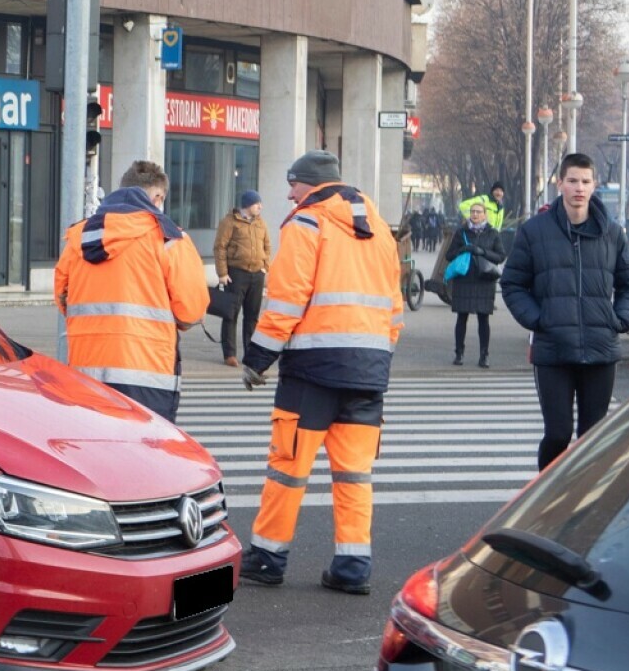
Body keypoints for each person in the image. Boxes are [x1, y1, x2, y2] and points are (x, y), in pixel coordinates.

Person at [239, 150, 402, 596]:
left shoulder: (306, 222)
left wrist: (258, 358)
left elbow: (287, 298)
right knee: (354, 474)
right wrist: (377, 356)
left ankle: (269, 558)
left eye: (293, 185)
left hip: (312, 371)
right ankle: (353, 567)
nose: (288, 194)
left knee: (288, 468)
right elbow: (394, 309)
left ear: (309, 185)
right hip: (368, 373)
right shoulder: (379, 226)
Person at [500, 152, 629, 469]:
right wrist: (538, 320)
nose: (579, 188)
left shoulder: (612, 233)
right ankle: (545, 497)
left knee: (592, 437)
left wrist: (620, 319)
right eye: (573, 180)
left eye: (586, 181)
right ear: (560, 183)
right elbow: (512, 283)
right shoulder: (534, 231)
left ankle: (584, 504)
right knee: (558, 433)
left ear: (594, 186)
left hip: (600, 349)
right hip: (553, 350)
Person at [53, 161, 207, 421]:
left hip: (85, 375)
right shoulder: (168, 238)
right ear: (157, 197)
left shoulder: (79, 237)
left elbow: (63, 298)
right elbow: (191, 311)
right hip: (147, 376)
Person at [442, 201, 505, 367]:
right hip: (464, 280)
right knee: (461, 317)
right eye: (472, 212)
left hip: (484, 280)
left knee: (483, 319)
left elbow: (500, 256)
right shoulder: (461, 232)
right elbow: (449, 255)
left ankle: (484, 355)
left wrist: (482, 251)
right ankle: (459, 353)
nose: (475, 214)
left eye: (478, 212)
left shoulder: (492, 233)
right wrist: (463, 249)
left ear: (485, 214)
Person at [213, 189, 271, 368]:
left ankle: (250, 353)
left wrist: (264, 267)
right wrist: (222, 273)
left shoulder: (261, 223)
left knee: (252, 316)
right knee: (231, 314)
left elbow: (267, 245)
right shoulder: (230, 222)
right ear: (247, 205)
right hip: (236, 273)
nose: (260, 206)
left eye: (260, 203)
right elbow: (220, 247)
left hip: (257, 274)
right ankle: (230, 354)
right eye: (256, 204)